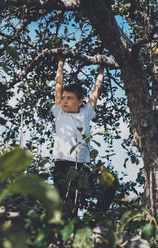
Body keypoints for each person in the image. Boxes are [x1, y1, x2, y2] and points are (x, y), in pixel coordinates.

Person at [51, 54, 105, 219]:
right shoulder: (60, 112)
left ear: (80, 102)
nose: (64, 101)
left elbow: (96, 90)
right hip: (62, 168)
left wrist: (101, 67)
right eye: (64, 98)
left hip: (80, 167)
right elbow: (58, 84)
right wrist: (61, 61)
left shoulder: (86, 113)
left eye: (70, 98)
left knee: (105, 186)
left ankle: (97, 216)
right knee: (68, 209)